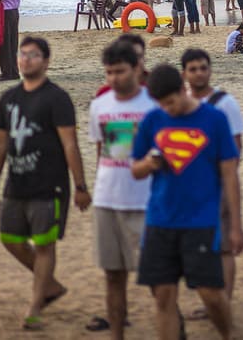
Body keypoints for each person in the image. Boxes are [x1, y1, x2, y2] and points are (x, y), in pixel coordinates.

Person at [131, 64, 243, 340]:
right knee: (163, 296)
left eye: (171, 102)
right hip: (160, 220)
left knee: (211, 295)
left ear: (183, 90)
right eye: (161, 104)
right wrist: (149, 163)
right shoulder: (152, 120)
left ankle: (227, 333)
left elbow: (230, 174)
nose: (167, 109)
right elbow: (135, 170)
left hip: (201, 221)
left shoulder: (214, 119)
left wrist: (236, 226)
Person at [0, 36, 90, 331]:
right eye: (22, 54)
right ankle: (51, 285)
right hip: (16, 184)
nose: (26, 59)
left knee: (44, 245)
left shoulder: (56, 98)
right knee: (10, 239)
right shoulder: (9, 98)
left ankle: (35, 304)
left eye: (33, 55)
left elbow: (70, 144)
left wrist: (80, 186)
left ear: (45, 61)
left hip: (50, 185)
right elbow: (0, 144)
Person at [86, 41, 157, 338]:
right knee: (113, 276)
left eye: (120, 71)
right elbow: (102, 150)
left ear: (136, 69)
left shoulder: (154, 106)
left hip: (146, 201)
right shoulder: (100, 105)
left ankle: (173, 327)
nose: (114, 78)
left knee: (158, 277)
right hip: (107, 199)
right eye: (109, 72)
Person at [180, 50, 243, 307]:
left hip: (218, 183)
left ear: (209, 70)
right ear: (184, 73)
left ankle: (224, 304)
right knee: (199, 246)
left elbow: (237, 144)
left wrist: (226, 176)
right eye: (193, 69)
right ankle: (211, 303)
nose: (199, 73)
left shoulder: (224, 102)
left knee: (225, 247)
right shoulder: (182, 102)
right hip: (190, 187)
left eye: (203, 68)